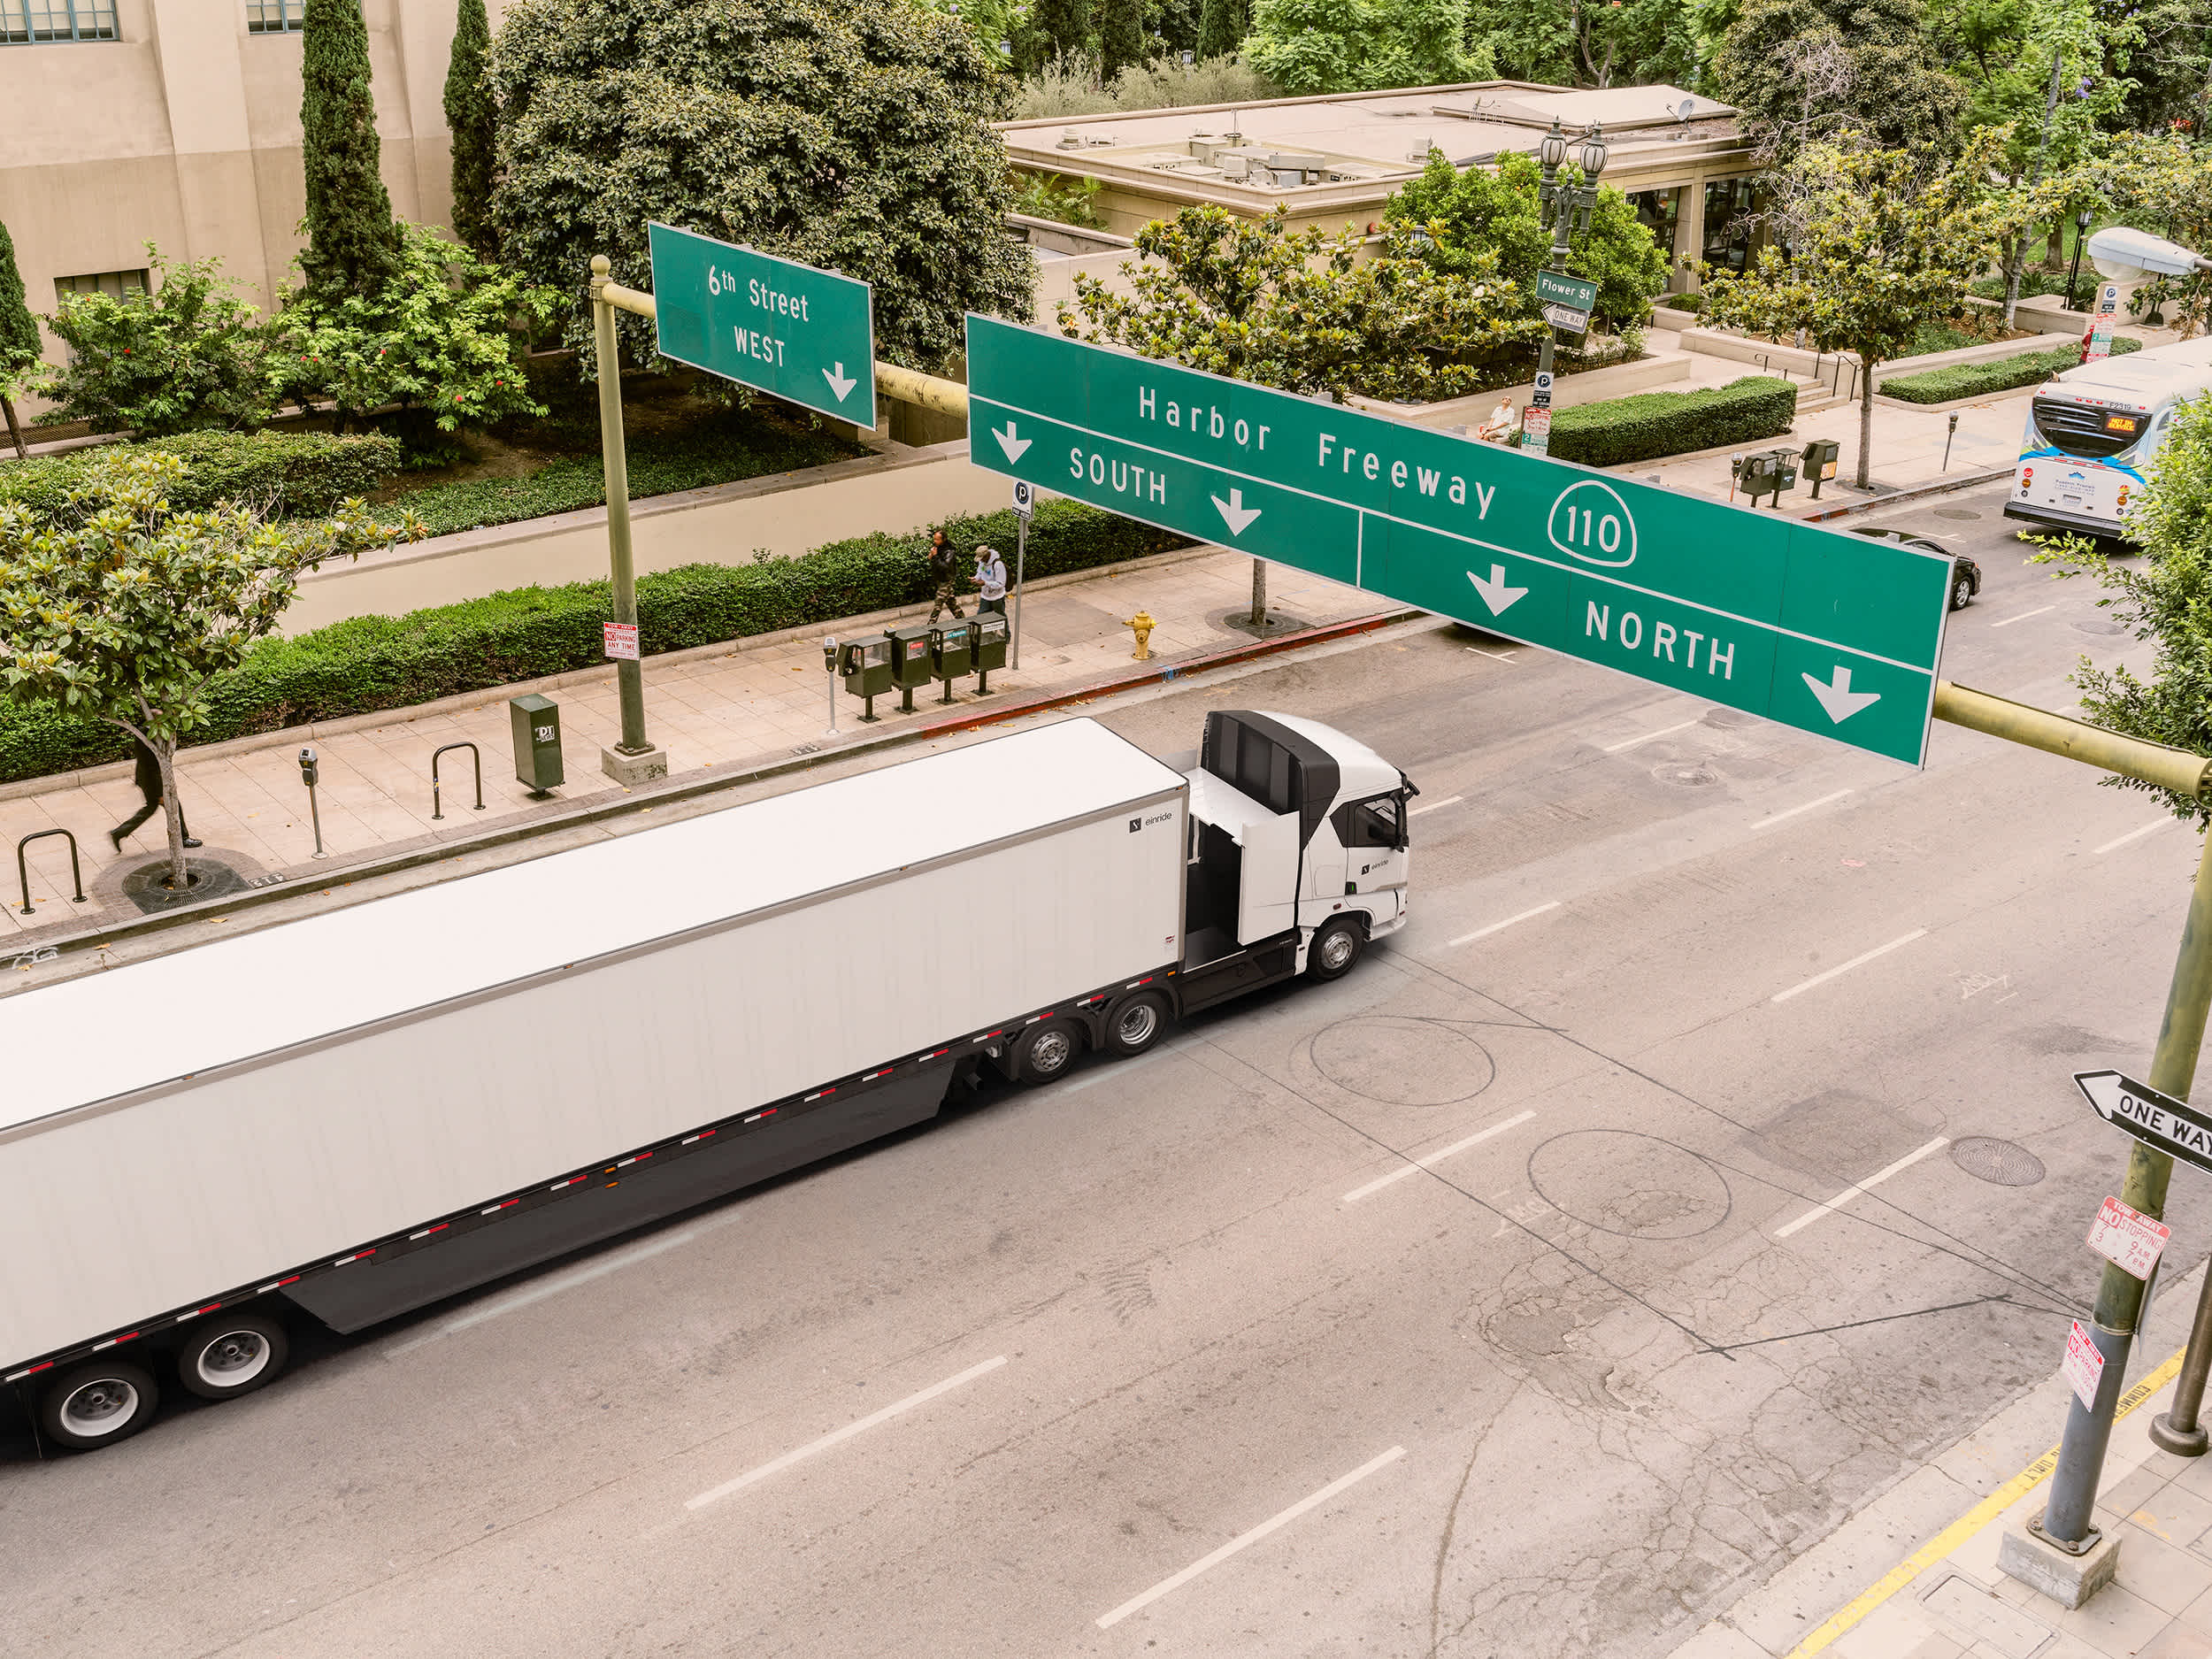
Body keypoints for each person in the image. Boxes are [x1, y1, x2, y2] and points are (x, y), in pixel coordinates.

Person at [111, 733, 201, 854]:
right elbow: (152, 768)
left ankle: (119, 833)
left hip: (146, 779)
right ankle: (183, 839)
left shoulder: (142, 731)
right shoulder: (149, 736)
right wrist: (160, 793)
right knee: (174, 805)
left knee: (150, 808)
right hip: (151, 782)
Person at [926, 528, 966, 624]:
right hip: (940, 580)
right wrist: (931, 556)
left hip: (946, 580)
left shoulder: (949, 552)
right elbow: (934, 561)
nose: (935, 541)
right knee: (950, 601)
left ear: (943, 539)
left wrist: (935, 556)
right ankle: (963, 620)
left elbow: (945, 567)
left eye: (937, 539)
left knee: (938, 602)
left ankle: (930, 625)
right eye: (934, 539)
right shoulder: (938, 548)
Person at [974, 543, 1009, 617]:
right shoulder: (982, 562)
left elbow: (1001, 584)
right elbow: (980, 572)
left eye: (982, 558)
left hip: (997, 597)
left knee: (1000, 618)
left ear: (987, 556)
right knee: (980, 617)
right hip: (985, 596)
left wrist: (985, 583)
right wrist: (975, 578)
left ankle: (1006, 629)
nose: (981, 561)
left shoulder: (998, 564)